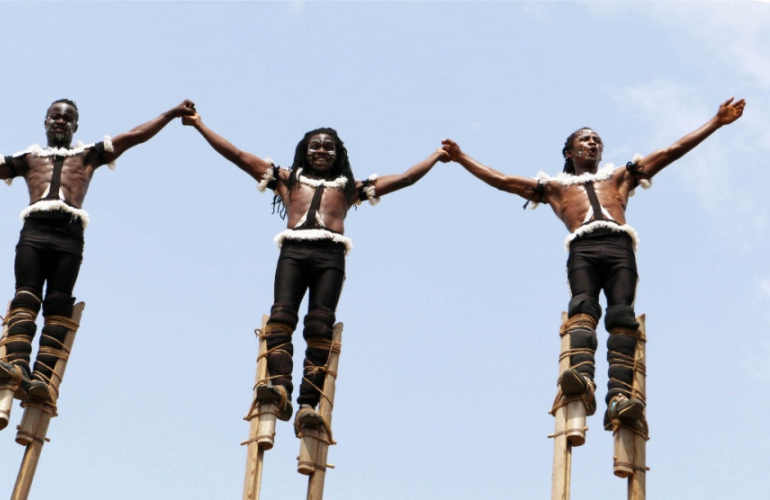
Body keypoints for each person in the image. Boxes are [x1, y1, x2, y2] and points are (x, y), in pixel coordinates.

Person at [442, 97, 745, 428]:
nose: (593, 142)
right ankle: (582, 380)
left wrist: (716, 122)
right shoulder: (554, 188)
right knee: (583, 308)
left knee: (621, 315)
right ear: (570, 152)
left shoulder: (619, 178)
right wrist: (461, 159)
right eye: (584, 138)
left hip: (618, 247)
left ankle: (618, 398)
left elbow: (672, 150)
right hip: (583, 248)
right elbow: (501, 180)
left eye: (596, 138)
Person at [0, 98, 196, 404]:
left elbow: (135, 136)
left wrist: (171, 114)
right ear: (45, 121)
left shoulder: (89, 155)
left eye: (67, 119)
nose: (60, 122)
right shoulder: (29, 159)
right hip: (35, 232)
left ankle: (42, 379)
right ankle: (16, 365)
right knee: (26, 295)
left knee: (58, 303)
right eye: (55, 117)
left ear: (75, 126)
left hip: (69, 235)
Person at [184, 110, 450, 430]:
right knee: (282, 316)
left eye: (328, 147)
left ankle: (307, 406)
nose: (321, 150)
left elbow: (405, 178)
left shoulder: (349, 187)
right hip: (294, 252)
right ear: (303, 151)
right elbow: (236, 154)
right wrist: (199, 124)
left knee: (319, 327)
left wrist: (436, 155)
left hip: (331, 257)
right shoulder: (286, 179)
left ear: (338, 155)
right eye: (315, 146)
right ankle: (279, 388)